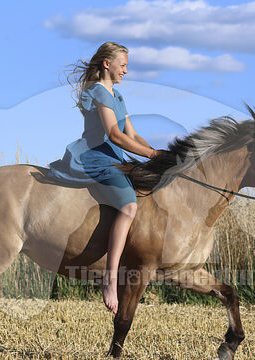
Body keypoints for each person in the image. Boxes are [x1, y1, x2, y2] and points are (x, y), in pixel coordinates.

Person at [48, 42, 164, 314]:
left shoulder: (117, 95)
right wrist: (150, 153)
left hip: (114, 158)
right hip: (95, 157)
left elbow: (132, 135)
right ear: (106, 64)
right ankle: (110, 279)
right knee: (129, 206)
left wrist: (158, 156)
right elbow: (114, 134)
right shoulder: (98, 92)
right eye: (122, 65)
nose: (126, 70)